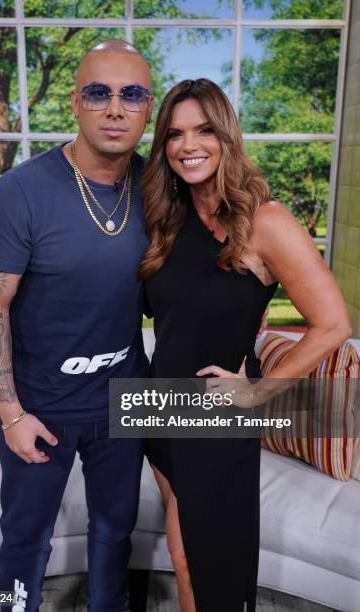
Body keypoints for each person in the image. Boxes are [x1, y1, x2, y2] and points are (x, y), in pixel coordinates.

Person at [140, 78, 351, 612]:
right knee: (184, 558)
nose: (189, 145)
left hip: (216, 415)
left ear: (226, 136)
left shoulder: (265, 221)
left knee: (214, 570)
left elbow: (333, 325)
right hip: (161, 409)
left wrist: (257, 393)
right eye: (175, 133)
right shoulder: (168, 221)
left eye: (203, 130)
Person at [0, 40, 154, 612]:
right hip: (38, 406)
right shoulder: (21, 192)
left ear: (148, 107)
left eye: (132, 95)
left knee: (114, 532)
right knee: (26, 540)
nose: (115, 108)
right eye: (99, 93)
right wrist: (11, 413)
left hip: (123, 399)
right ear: (76, 102)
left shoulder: (159, 187)